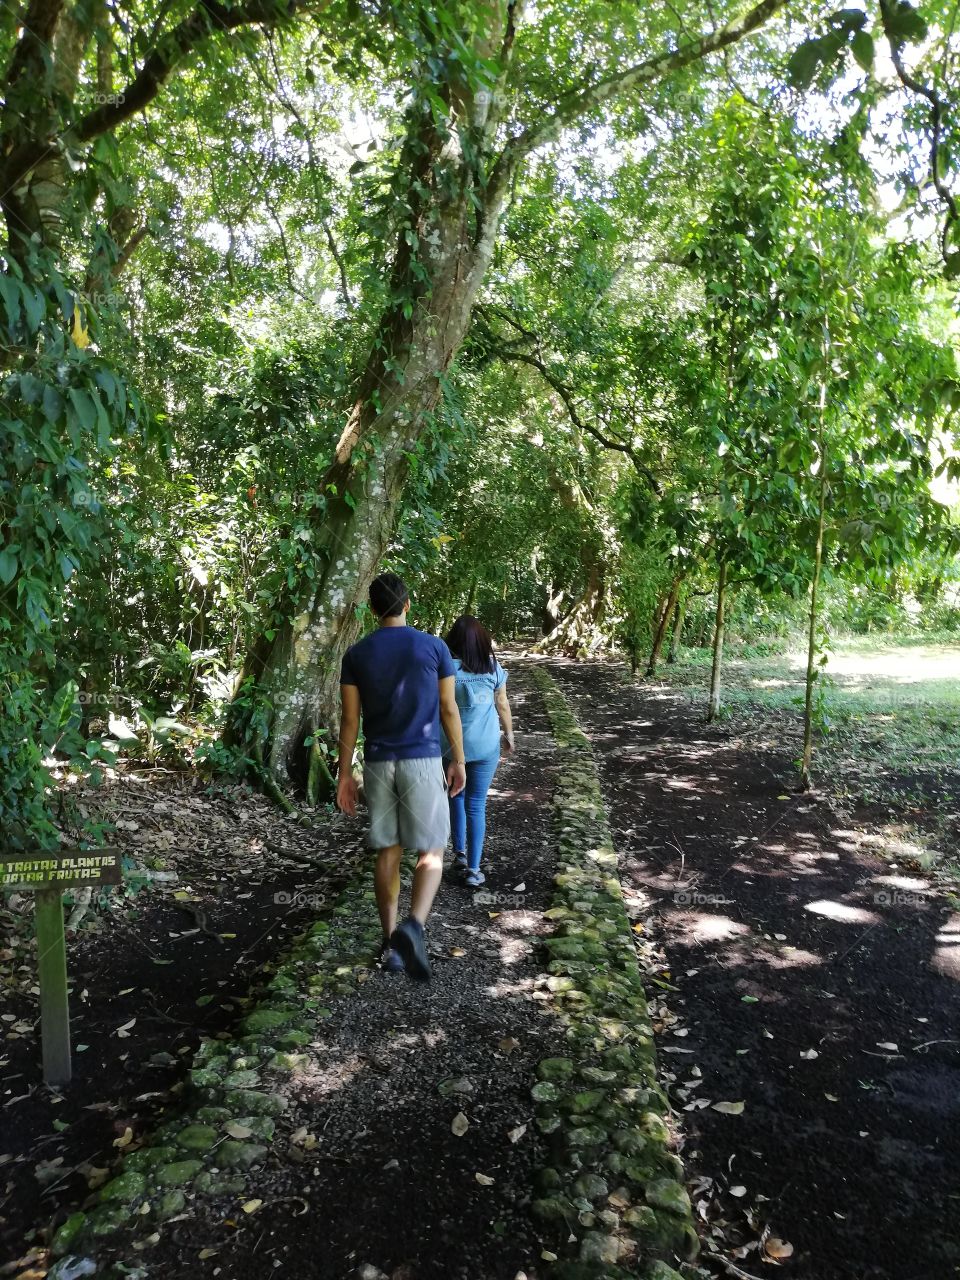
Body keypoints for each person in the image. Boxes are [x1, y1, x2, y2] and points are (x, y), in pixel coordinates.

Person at [336, 573, 467, 982]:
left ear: (373, 609)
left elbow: (350, 720)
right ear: (407, 604)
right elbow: (448, 709)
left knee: (387, 852)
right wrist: (458, 759)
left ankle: (391, 941)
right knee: (431, 850)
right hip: (422, 761)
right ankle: (415, 925)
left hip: (377, 763)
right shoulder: (434, 647)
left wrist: (344, 775)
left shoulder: (356, 654)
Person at [442, 616, 514, 889]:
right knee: (476, 803)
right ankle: (474, 869)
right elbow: (503, 705)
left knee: (455, 796)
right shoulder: (493, 668)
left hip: (450, 747)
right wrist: (509, 735)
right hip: (485, 747)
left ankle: (458, 854)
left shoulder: (446, 669)